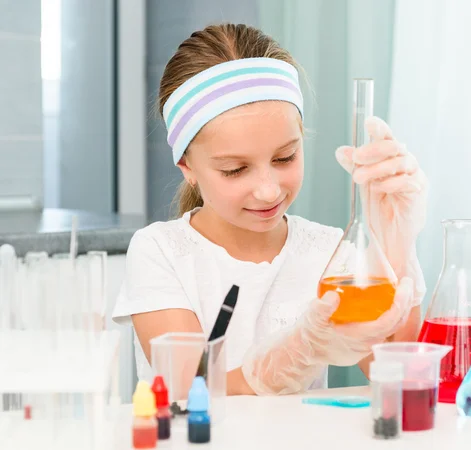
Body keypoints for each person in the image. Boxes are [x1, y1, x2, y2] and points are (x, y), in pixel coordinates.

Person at [112, 23, 428, 396]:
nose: (268, 190)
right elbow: (187, 389)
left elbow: (401, 376)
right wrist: (297, 352)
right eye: (235, 169)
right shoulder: (160, 252)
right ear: (187, 167)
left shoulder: (329, 254)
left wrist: (395, 243)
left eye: (285, 157)